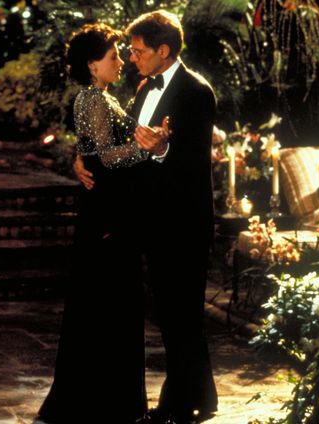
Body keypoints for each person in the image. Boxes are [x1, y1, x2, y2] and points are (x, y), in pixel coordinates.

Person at [75, 10, 219, 424]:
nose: (132, 58)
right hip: (149, 218)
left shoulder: (196, 91)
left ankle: (179, 404)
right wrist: (80, 160)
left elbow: (194, 159)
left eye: (139, 51)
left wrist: (162, 149)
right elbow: (116, 145)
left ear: (164, 51)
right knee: (172, 313)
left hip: (183, 220)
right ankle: (201, 396)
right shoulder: (141, 89)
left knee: (182, 312)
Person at [36, 23, 168, 424]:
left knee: (109, 306)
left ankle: (106, 403)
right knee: (108, 306)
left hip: (108, 211)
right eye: (113, 56)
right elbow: (107, 157)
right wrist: (150, 145)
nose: (121, 62)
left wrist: (86, 157)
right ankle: (105, 405)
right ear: (93, 66)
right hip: (106, 216)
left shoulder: (101, 97)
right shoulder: (92, 98)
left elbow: (92, 151)